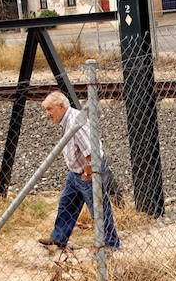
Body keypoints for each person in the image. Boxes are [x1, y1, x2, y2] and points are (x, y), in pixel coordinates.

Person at [38, 91, 121, 250]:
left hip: (89, 171)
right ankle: (59, 237)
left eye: (49, 109)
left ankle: (110, 244)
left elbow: (92, 151)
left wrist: (88, 173)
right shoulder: (65, 120)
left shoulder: (76, 121)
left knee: (98, 210)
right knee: (66, 204)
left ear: (61, 106)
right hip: (76, 172)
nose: (47, 114)